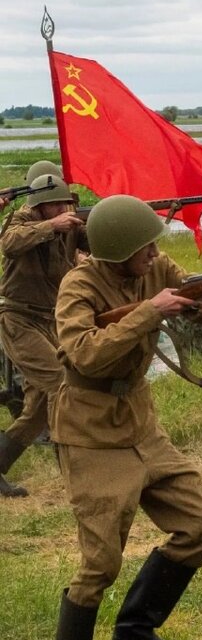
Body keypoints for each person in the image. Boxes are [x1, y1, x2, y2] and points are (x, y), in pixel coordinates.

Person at [50, 195, 202, 640]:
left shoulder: (157, 266)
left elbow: (199, 308)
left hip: (141, 423)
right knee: (100, 563)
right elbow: (83, 354)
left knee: (201, 525)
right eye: (145, 245)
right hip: (90, 431)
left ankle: (134, 631)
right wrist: (149, 312)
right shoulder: (78, 285)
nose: (154, 252)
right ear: (118, 248)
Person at [0, 174, 82, 497]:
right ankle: (79, 470)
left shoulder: (71, 226)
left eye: (65, 203)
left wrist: (122, 223)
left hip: (50, 321)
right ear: (39, 205)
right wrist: (53, 226)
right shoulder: (21, 220)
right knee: (63, 385)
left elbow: (103, 241)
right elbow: (10, 242)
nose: (63, 208)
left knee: (36, 411)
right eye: (55, 204)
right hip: (18, 318)